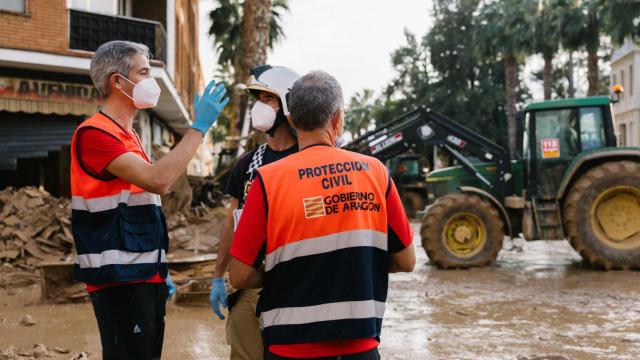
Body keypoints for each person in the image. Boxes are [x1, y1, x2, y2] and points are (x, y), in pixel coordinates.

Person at [228, 71, 416, 359]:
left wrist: (284, 270)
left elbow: (239, 275)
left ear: (291, 120)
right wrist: (358, 263)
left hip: (289, 348)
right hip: (360, 347)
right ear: (338, 119)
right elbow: (406, 261)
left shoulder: (267, 179)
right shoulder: (376, 172)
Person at [70, 40, 228, 360]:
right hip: (119, 279)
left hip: (142, 273)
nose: (150, 81)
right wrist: (198, 128)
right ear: (117, 81)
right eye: (143, 72)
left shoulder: (130, 136)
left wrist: (160, 266)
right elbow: (159, 180)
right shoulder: (95, 134)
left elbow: (142, 204)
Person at [209, 65, 301, 360]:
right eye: (257, 99)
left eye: (267, 98)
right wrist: (218, 275)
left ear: (288, 103)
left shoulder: (309, 160)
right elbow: (232, 223)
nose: (259, 107)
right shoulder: (246, 164)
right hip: (249, 283)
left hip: (297, 285)